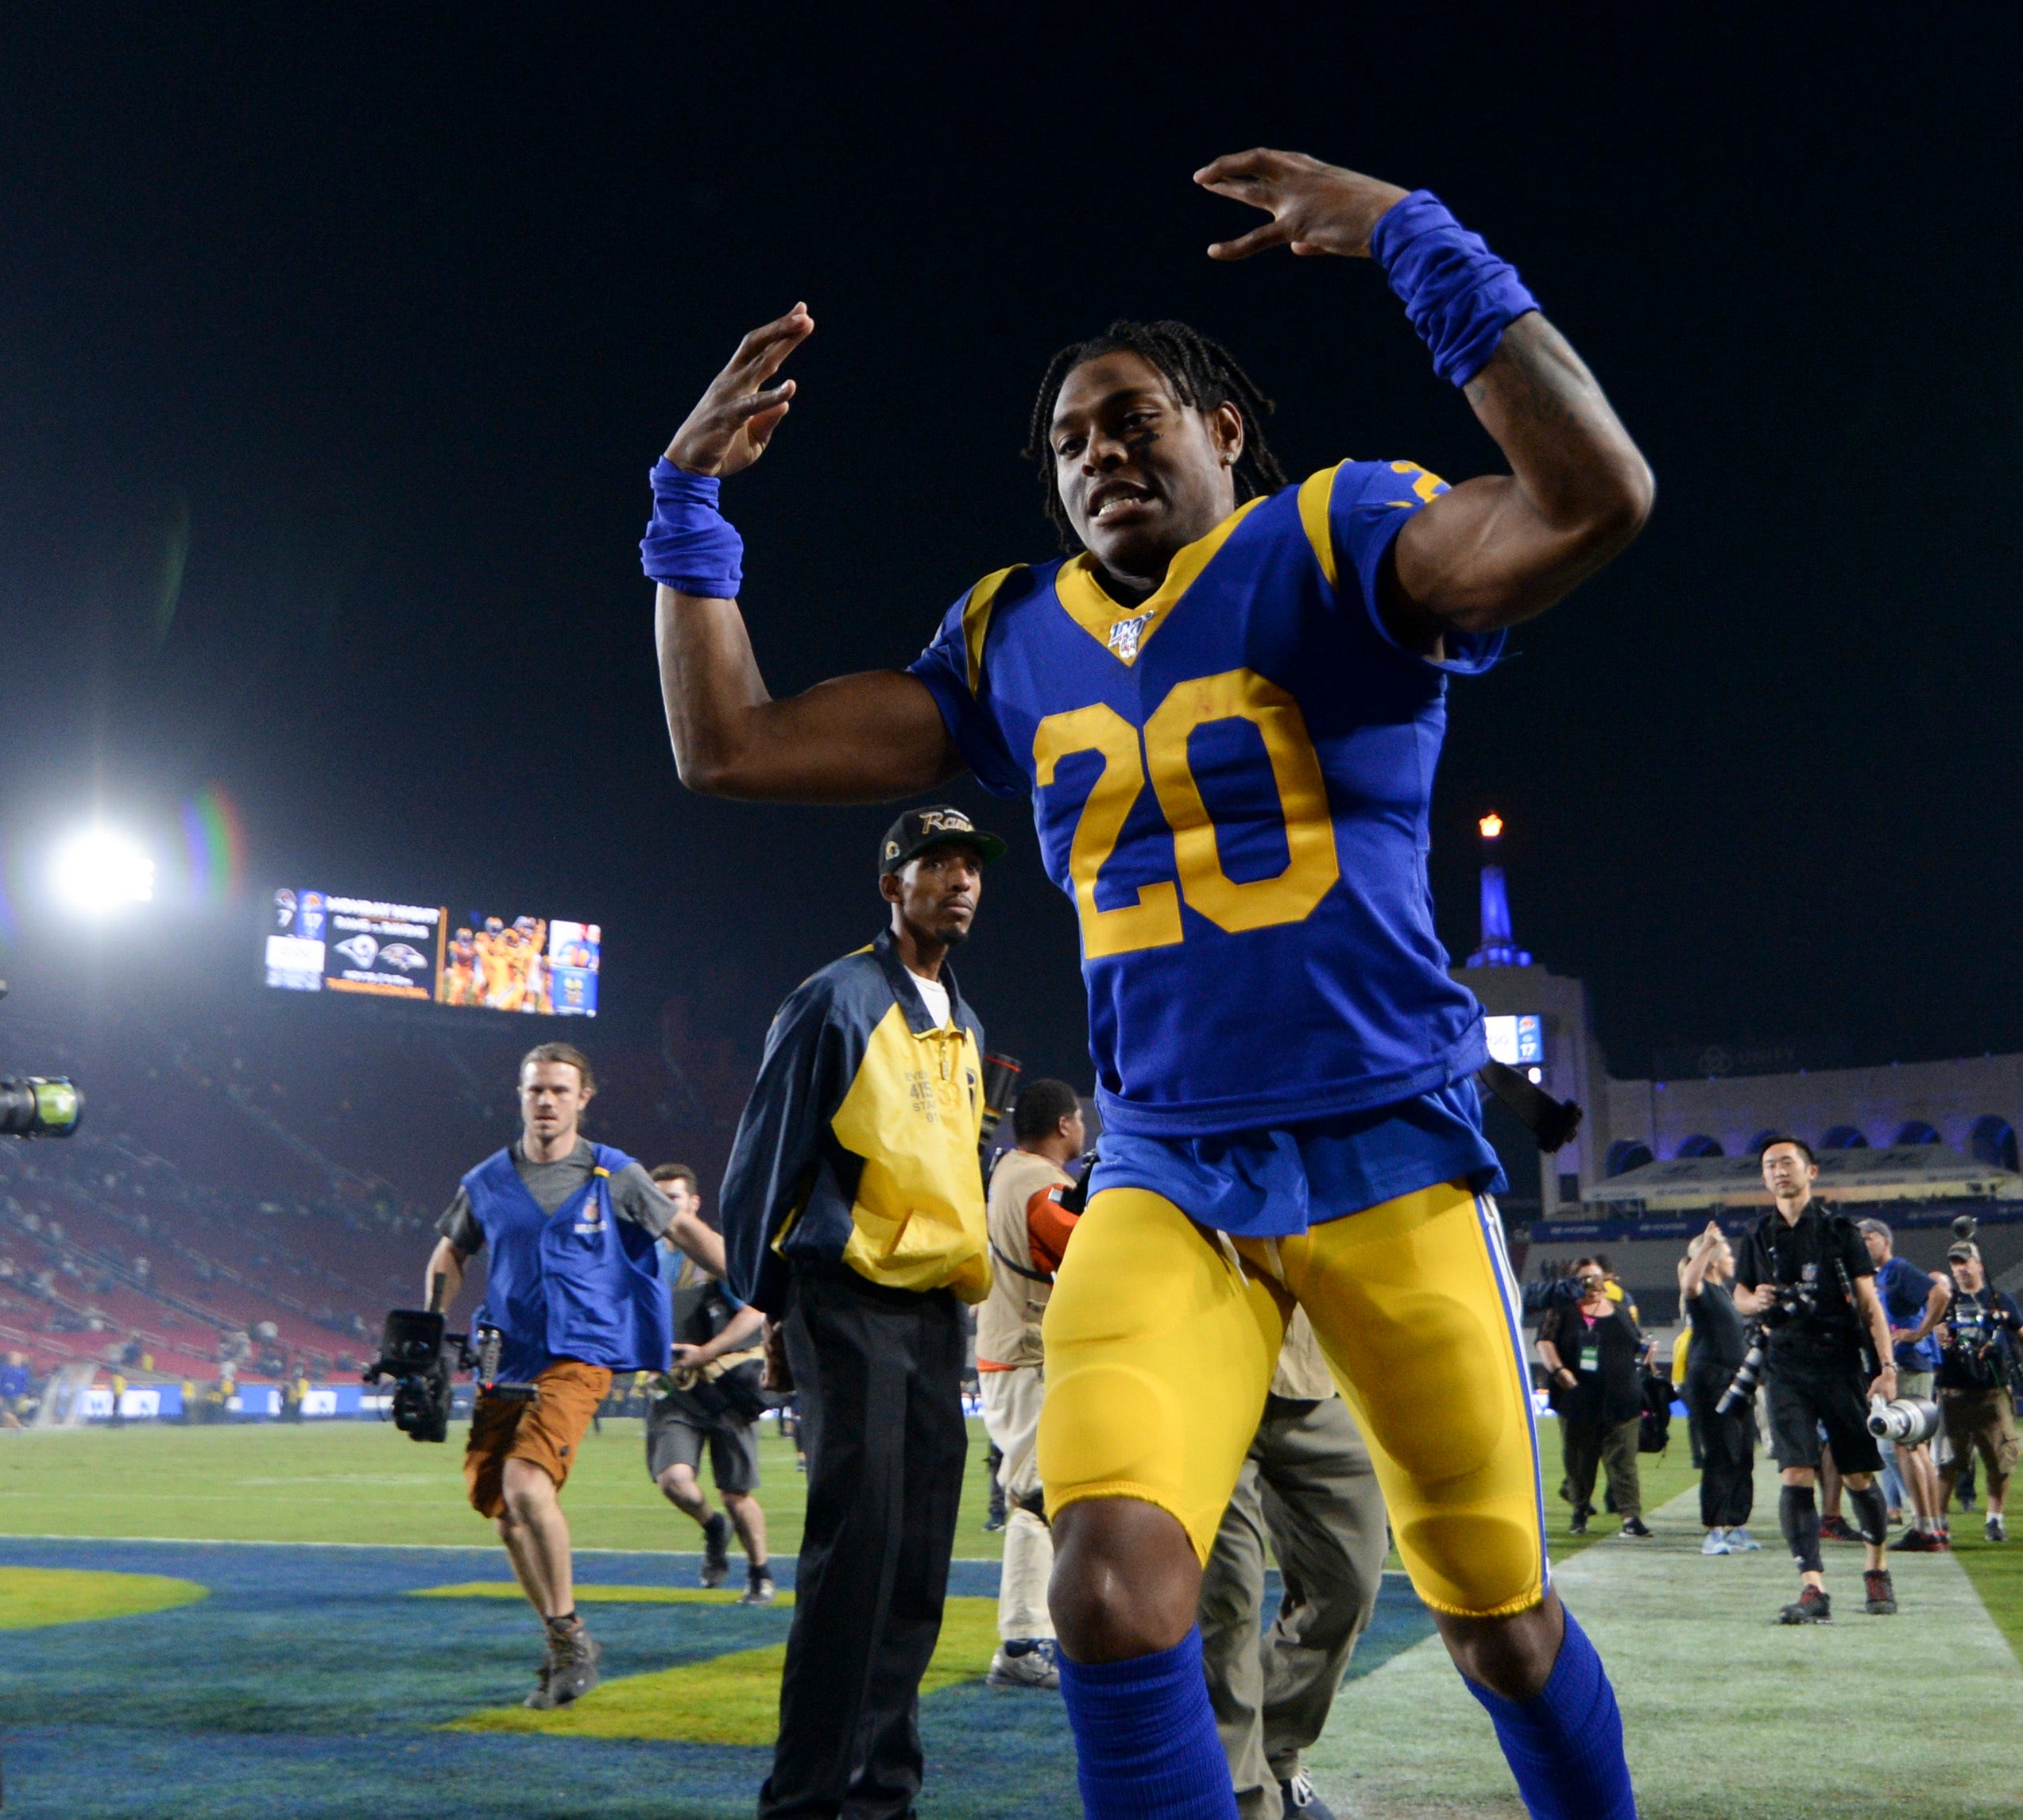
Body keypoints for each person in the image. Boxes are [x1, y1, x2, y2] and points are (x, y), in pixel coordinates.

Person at [648, 147, 1651, 1820]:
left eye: (1131, 417)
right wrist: (685, 509)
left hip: (1386, 1157)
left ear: (1218, 431)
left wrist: (1413, 242)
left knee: (1491, 1617)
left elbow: (1589, 496)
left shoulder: (1336, 537)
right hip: (1165, 1170)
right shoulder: (1008, 635)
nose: (1097, 450)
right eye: (1065, 439)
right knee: (1105, 1594)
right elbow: (728, 745)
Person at [715, 807, 997, 1819]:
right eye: (937, 864)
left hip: (933, 1316)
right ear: (891, 884)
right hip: (847, 1306)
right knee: (856, 1556)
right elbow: (760, 1161)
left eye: (970, 866)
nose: (960, 880)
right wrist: (773, 1312)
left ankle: (883, 1793)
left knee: (917, 1562)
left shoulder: (966, 1022)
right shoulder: (834, 998)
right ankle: (803, 1802)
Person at [422, 1041, 729, 1709]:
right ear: (521, 1095)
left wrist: (760, 1281)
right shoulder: (486, 1180)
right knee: (503, 1513)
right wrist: (426, 1329)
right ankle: (567, 1639)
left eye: (560, 1090)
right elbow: (450, 1250)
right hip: (507, 1352)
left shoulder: (616, 1174)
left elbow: (683, 1229)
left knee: (525, 1482)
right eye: (535, 1089)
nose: (546, 1101)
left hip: (580, 1349)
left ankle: (566, 1637)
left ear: (583, 1098)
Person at [1197, 1310, 1389, 1820]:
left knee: (1350, 1581)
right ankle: (1241, 1796)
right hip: (1200, 1370)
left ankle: (1273, 1749)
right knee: (1226, 1599)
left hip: (1313, 1373)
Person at [1733, 1138, 1902, 1623]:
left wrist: (1886, 1369)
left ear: (1811, 1171)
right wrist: (1754, 1301)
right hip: (1784, 1364)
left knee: (1857, 1475)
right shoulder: (1757, 1233)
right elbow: (1740, 1293)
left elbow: (1870, 1304)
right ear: (1764, 1179)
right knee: (1795, 1472)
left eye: (1787, 1162)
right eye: (1770, 1166)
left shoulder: (1838, 1231)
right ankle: (1813, 1587)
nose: (1778, 1171)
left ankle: (1877, 1567)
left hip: (1839, 1361)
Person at [980, 1076, 1086, 1690]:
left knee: (1048, 1492)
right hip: (1026, 1354)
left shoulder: (1007, 1170)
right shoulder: (1034, 1180)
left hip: (1016, 1352)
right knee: (1035, 1495)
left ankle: (1041, 1630)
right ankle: (1021, 1642)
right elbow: (1078, 1245)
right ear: (1065, 1124)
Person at [642, 1164, 776, 1604]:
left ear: (693, 1204)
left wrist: (709, 1350)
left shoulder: (716, 1251)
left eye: (673, 1199)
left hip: (724, 1386)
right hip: (674, 1386)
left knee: (736, 1493)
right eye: (656, 1198)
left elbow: (755, 1310)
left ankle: (760, 1573)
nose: (663, 1208)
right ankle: (711, 1526)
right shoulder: (642, 1255)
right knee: (673, 1481)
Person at [1536, 1262, 1652, 1538]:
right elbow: (1544, 1341)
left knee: (1624, 1461)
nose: (1595, 1284)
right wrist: (1559, 1370)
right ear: (1573, 1283)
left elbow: (1637, 1342)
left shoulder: (1621, 1310)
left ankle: (1630, 1517)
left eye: (1598, 1278)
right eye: (1587, 1279)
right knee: (1579, 1461)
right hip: (1579, 1401)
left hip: (1623, 1399)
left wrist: (1646, 1353)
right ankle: (1580, 1510)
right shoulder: (1562, 1310)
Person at [1859, 1219, 1952, 1551]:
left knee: (1906, 1446)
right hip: (1911, 1364)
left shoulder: (1896, 1269)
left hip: (1909, 1364)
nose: (1863, 1244)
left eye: (1867, 1238)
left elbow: (1940, 1292)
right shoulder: (1880, 1277)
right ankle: (1931, 1526)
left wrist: (1920, 1332)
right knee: (1914, 1448)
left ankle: (1926, 1528)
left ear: (1885, 1241)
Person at [1677, 1223, 1758, 1554]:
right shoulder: (1701, 1291)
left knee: (1743, 1454)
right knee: (1721, 1454)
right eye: (1728, 1254)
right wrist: (1709, 1243)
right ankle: (1715, 1529)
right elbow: (1689, 1283)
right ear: (1711, 1260)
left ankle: (1736, 1523)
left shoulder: (1724, 1292)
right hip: (1710, 1380)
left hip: (1736, 1381)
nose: (1733, 1259)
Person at [1934, 1241, 2020, 1543]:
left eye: (1965, 1262)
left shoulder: (2000, 1299)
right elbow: (1926, 1337)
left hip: (1991, 1391)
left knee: (2000, 1459)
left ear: (1979, 1265)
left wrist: (2003, 1345)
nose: (1960, 1269)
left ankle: (1995, 1520)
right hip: (1953, 1391)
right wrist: (1935, 1334)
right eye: (1955, 1264)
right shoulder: (1944, 1301)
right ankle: (1939, 1523)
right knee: (1947, 1463)